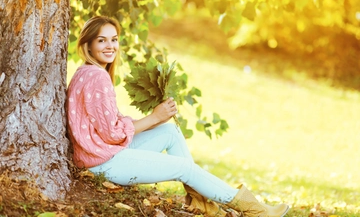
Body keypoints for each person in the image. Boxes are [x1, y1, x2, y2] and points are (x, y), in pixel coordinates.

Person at [66, 15, 289, 217]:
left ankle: (201, 202)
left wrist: (157, 119)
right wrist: (153, 117)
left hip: (101, 155)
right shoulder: (98, 77)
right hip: (103, 163)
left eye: (114, 39)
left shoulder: (86, 72)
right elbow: (113, 133)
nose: (110, 46)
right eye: (101, 40)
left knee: (170, 131)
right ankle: (255, 211)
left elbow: (108, 126)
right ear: (88, 45)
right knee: (185, 168)